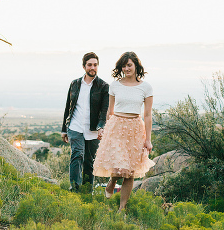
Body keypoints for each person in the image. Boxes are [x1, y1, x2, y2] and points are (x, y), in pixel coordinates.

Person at [93, 51, 156, 211]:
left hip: (135, 128)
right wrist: (106, 130)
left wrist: (148, 139)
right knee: (119, 165)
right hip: (116, 127)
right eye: (124, 65)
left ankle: (122, 209)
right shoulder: (115, 85)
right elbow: (110, 111)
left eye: (129, 65)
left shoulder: (146, 87)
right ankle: (112, 182)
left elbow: (147, 115)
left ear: (136, 66)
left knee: (130, 171)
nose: (126, 68)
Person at [61, 52, 110, 192]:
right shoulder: (75, 84)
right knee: (77, 154)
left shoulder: (103, 86)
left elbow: (104, 111)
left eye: (95, 65)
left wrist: (101, 127)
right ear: (84, 66)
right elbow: (68, 107)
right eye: (90, 65)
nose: (92, 67)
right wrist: (64, 129)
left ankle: (87, 192)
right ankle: (74, 189)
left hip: (93, 130)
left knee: (90, 162)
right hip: (75, 126)